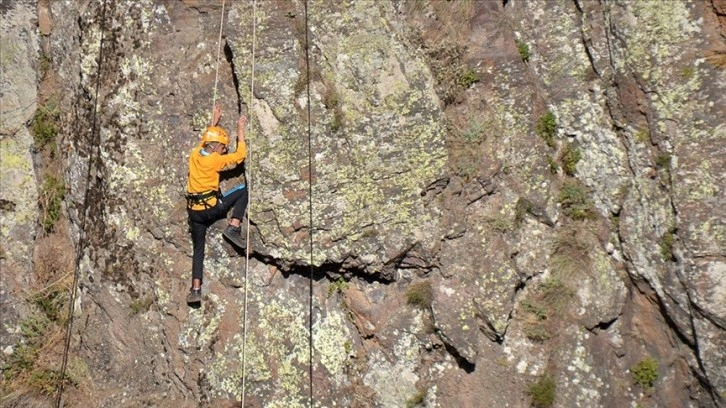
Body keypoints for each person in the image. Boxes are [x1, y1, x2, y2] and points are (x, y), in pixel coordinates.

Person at [185, 104, 248, 304]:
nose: (224, 150)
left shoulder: (195, 154)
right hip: (211, 208)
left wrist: (214, 122)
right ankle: (234, 227)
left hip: (194, 213)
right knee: (243, 191)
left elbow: (207, 140)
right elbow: (239, 157)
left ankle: (196, 290)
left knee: (198, 249)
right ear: (215, 147)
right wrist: (240, 131)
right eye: (222, 147)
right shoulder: (214, 160)